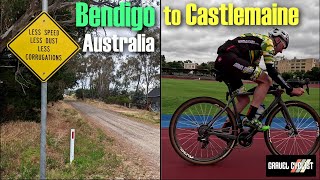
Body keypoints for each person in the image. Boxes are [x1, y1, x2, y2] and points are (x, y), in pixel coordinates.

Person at [214, 28, 305, 131]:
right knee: (266, 80)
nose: (281, 51)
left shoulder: (257, 51)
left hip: (225, 62)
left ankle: (225, 130)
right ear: (278, 40)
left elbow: (257, 76)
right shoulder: (268, 42)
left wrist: (269, 86)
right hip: (230, 58)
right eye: (283, 47)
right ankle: (250, 118)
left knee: (244, 100)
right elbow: (271, 71)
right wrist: (290, 89)